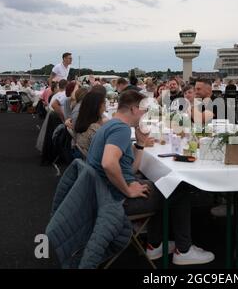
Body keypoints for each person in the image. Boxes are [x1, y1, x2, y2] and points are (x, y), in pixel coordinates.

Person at [87, 90, 215, 265]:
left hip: (102, 192)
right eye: (144, 110)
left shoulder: (110, 125)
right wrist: (128, 191)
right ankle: (183, 250)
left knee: (163, 185)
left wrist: (139, 144)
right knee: (180, 188)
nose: (146, 114)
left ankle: (155, 245)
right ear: (134, 109)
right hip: (115, 198)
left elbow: (129, 170)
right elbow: (108, 163)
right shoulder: (121, 130)